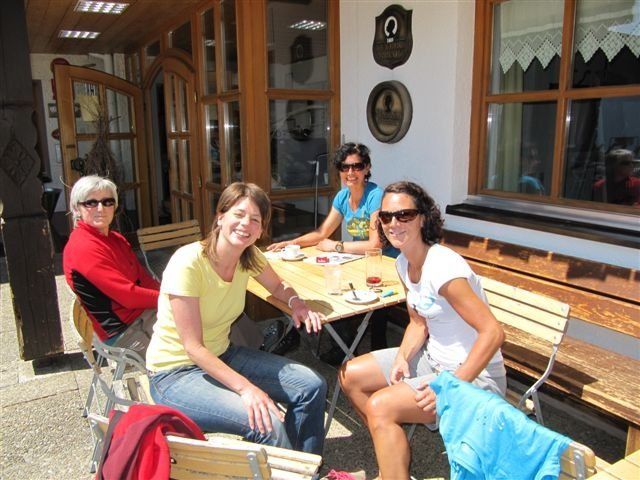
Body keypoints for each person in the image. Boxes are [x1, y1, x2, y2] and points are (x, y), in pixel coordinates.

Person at [338, 181, 506, 479]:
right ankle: (392, 458)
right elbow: (418, 322)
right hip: (433, 359)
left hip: (474, 377)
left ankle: (391, 468)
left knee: (380, 406)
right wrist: (402, 357)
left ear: (423, 218)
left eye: (404, 215)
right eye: (386, 216)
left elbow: (493, 332)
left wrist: (449, 387)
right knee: (349, 375)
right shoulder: (403, 263)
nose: (393, 223)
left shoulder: (442, 267)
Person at [146, 182, 327, 455]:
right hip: (175, 373)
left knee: (311, 386)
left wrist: (297, 304)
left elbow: (278, 286)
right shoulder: (188, 262)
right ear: (220, 217)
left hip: (222, 355)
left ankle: (302, 466)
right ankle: (287, 467)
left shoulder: (249, 257)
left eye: (255, 219)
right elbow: (193, 347)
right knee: (266, 421)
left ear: (261, 230)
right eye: (239, 214)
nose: (246, 224)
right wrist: (247, 389)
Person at [268, 142, 397, 364]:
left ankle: (377, 351)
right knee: (331, 286)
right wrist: (292, 242)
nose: (350, 172)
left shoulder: (376, 196)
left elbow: (375, 244)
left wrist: (336, 246)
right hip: (360, 260)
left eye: (357, 166)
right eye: (345, 167)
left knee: (367, 298)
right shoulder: (342, 197)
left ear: (367, 168)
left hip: (386, 263)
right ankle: (342, 345)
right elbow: (322, 233)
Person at [63, 175, 159, 356]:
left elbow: (144, 279)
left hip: (143, 316)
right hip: (126, 333)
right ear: (77, 208)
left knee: (206, 317)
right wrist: (171, 298)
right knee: (202, 335)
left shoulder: (115, 239)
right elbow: (128, 297)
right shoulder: (83, 247)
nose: (101, 208)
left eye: (107, 202)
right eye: (91, 203)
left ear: (114, 206)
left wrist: (172, 296)